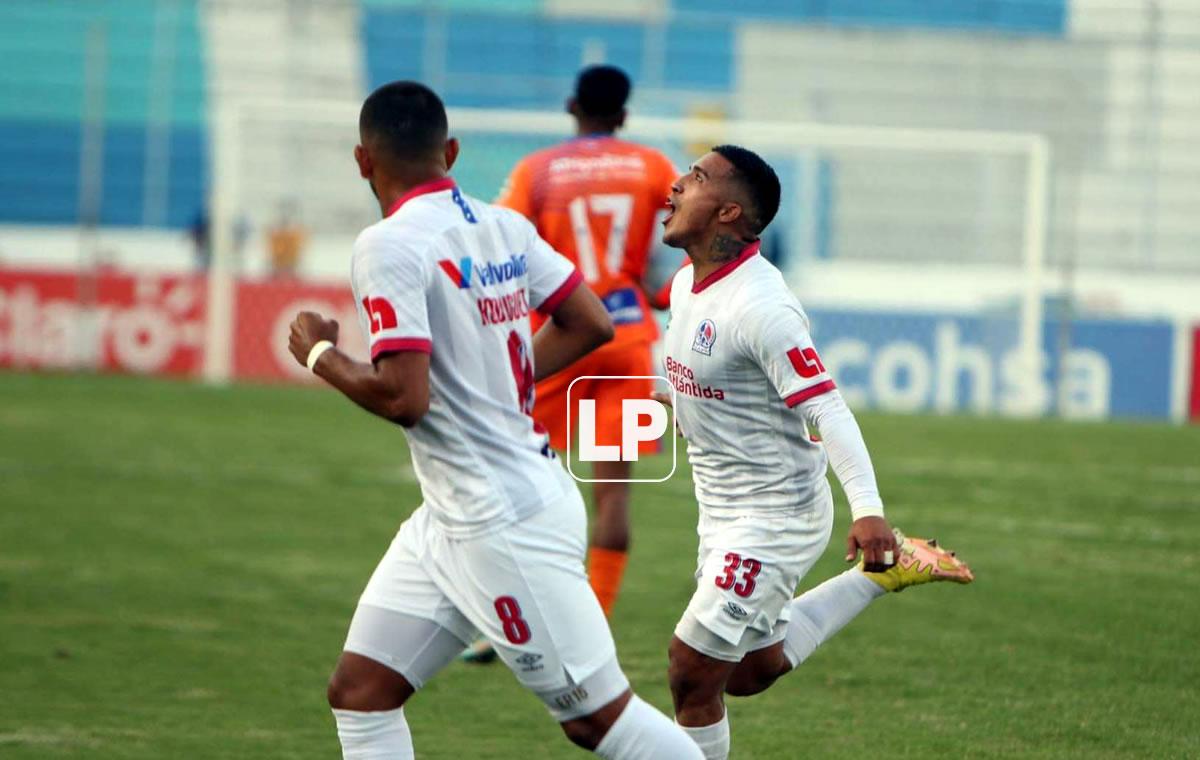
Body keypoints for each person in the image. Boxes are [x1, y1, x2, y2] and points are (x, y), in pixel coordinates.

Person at [285, 80, 703, 760]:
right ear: (450, 151)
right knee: (360, 693)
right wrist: (494, 383)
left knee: (597, 722)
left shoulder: (388, 245)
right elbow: (590, 320)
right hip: (453, 516)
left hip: (501, 520)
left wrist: (321, 354)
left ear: (364, 162)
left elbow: (403, 398)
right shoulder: (500, 225)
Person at [655, 144, 975, 759]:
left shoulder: (762, 307)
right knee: (746, 672)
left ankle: (881, 552)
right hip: (719, 510)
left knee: (690, 669)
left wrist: (868, 509)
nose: (674, 185)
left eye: (693, 178)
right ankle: (882, 575)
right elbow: (707, 383)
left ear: (726, 212)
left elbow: (827, 407)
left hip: (776, 515)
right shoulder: (685, 285)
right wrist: (664, 402)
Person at [492, 64, 679, 621]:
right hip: (625, 339)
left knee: (511, 478)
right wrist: (663, 293)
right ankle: (593, 616)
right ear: (623, 115)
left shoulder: (538, 170)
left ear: (572, 107)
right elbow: (694, 234)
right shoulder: (651, 167)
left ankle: (506, 611)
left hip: (558, 337)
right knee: (613, 496)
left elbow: (500, 243)